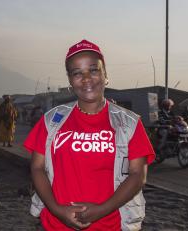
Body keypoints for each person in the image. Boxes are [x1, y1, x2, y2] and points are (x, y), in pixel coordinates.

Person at [24, 39, 155, 230]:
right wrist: (57, 210)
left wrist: (101, 210)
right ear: (70, 80)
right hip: (56, 224)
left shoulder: (129, 123)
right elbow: (37, 168)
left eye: (93, 70)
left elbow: (138, 176)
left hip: (109, 224)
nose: (86, 78)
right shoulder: (52, 120)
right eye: (77, 73)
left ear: (105, 74)